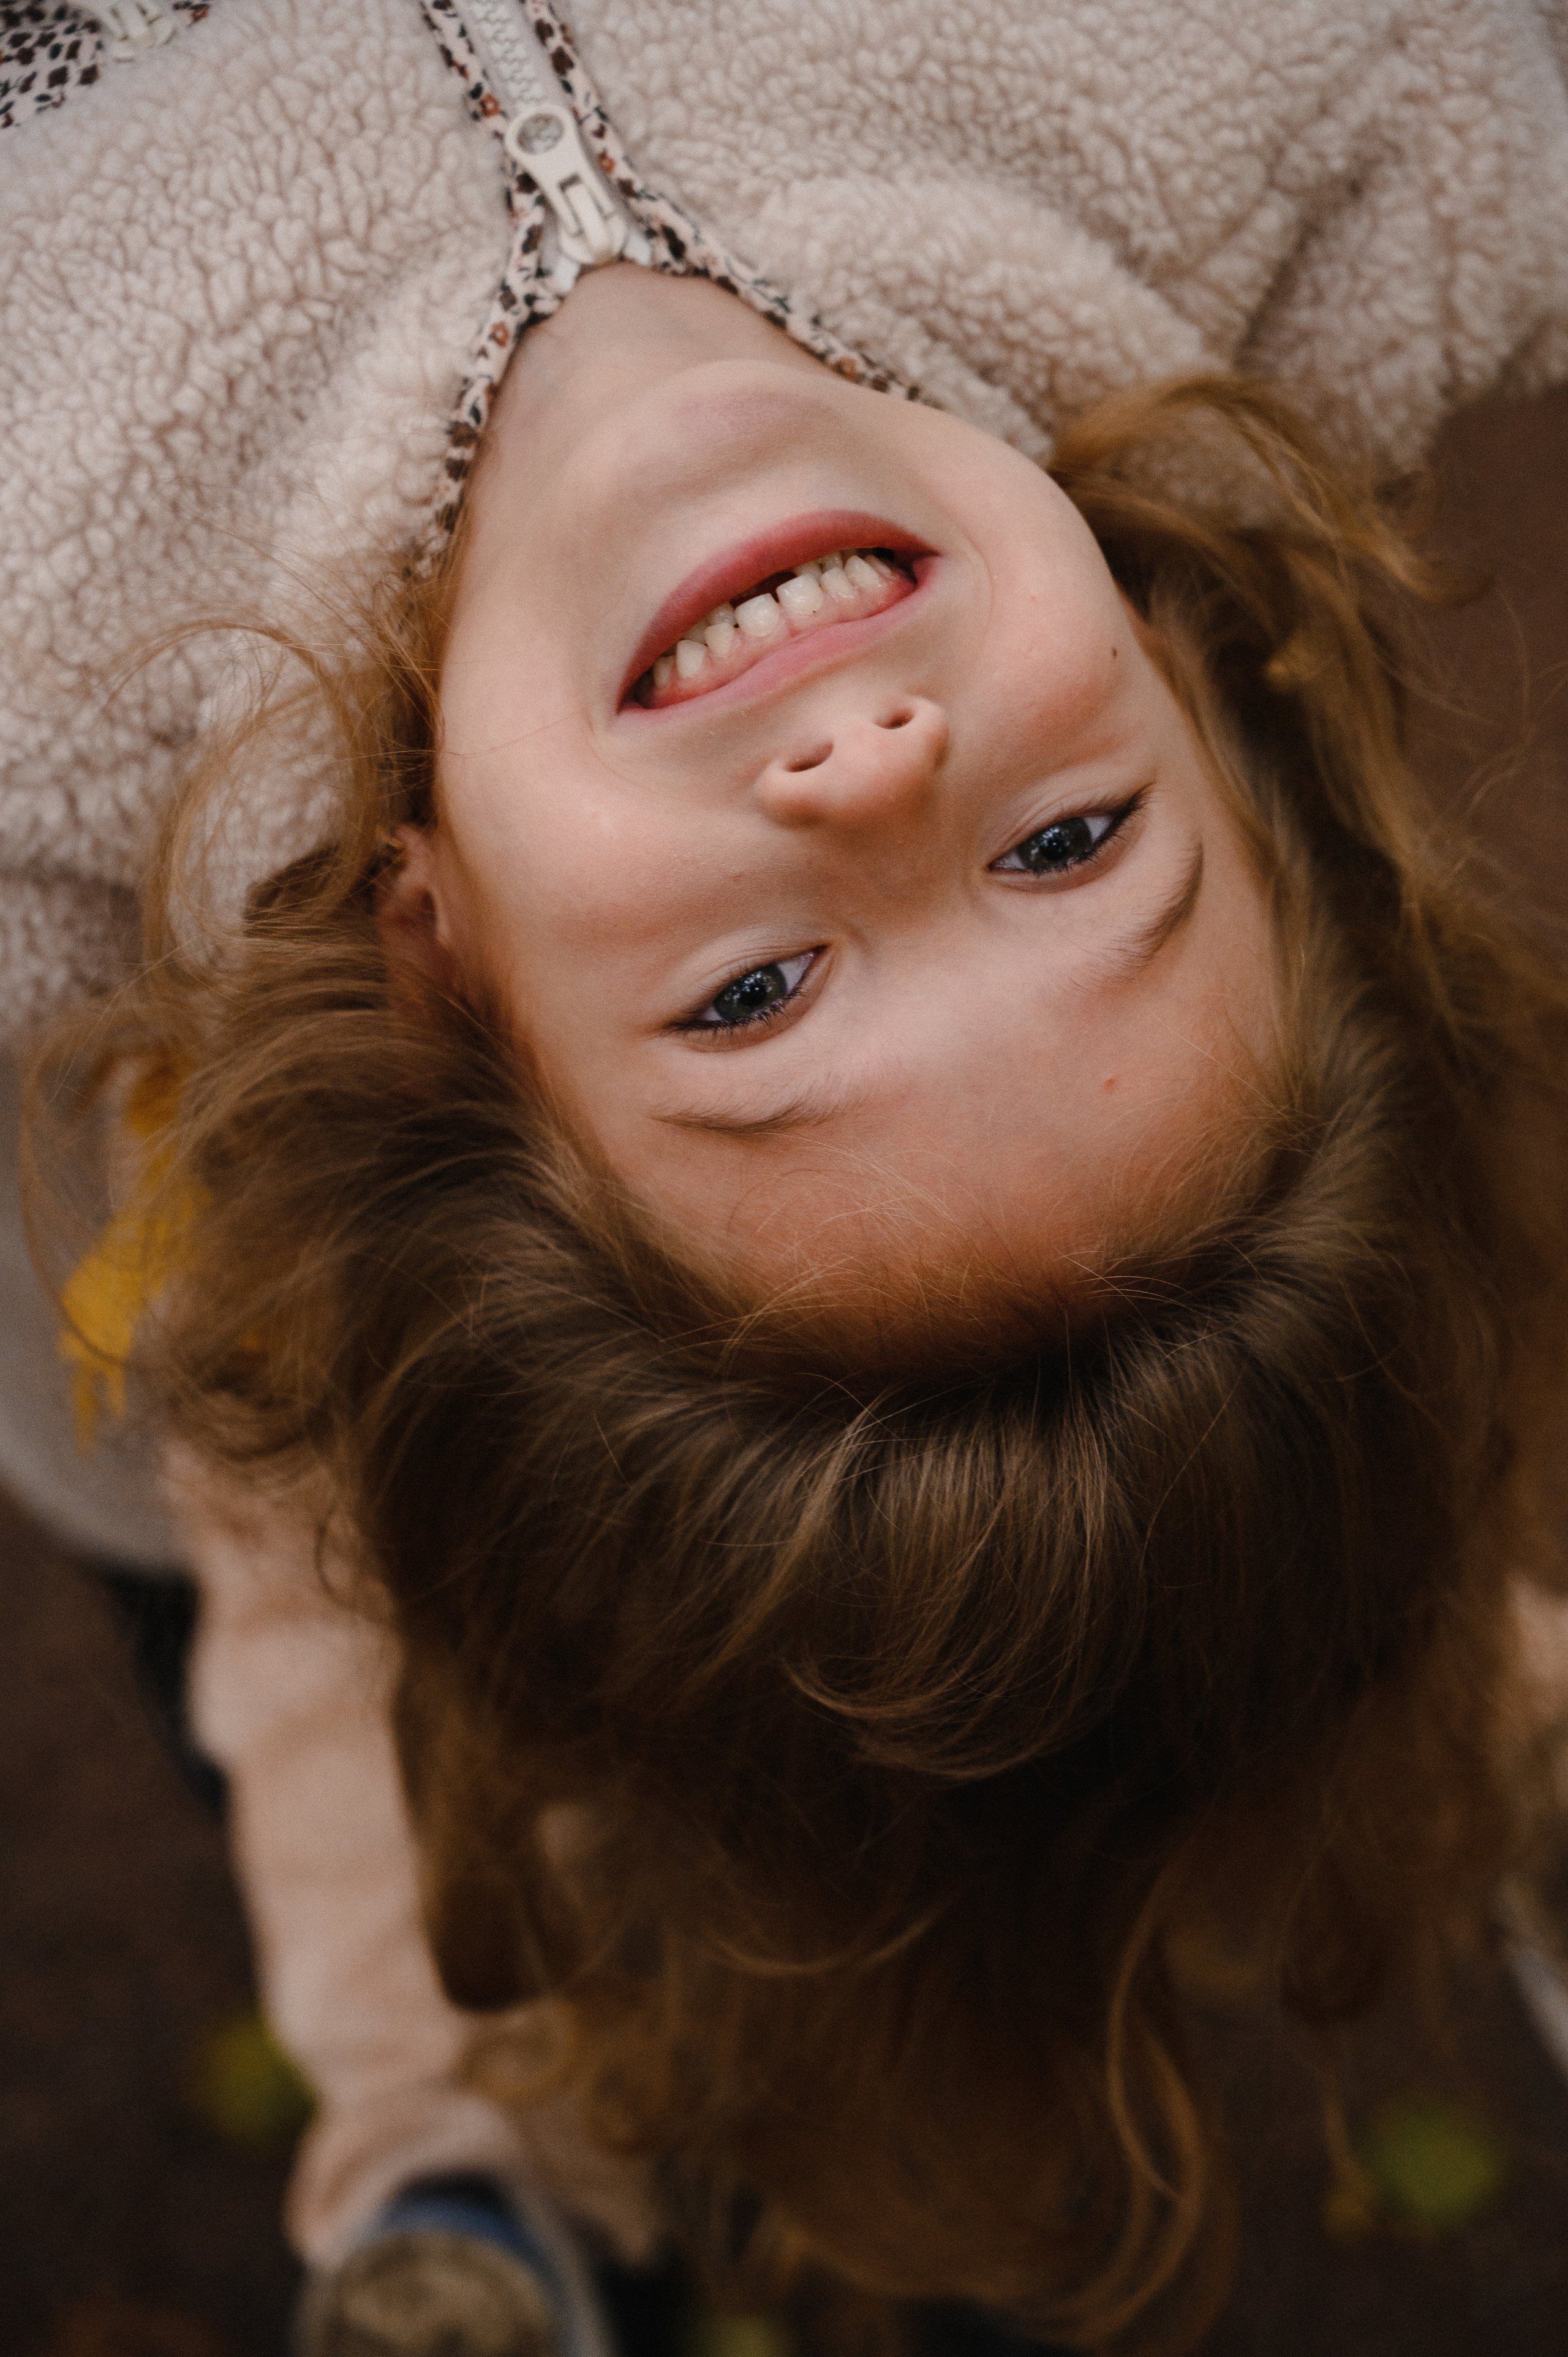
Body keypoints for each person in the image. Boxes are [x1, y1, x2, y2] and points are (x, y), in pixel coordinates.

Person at [5, 1, 1568, 2351]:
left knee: (360, 1697)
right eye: (1070, 844)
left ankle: (456, 2175)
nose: (876, 773)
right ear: (1182, 670)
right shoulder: (1318, 127)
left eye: (755, 997)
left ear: (441, 966)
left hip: (253, 1395)